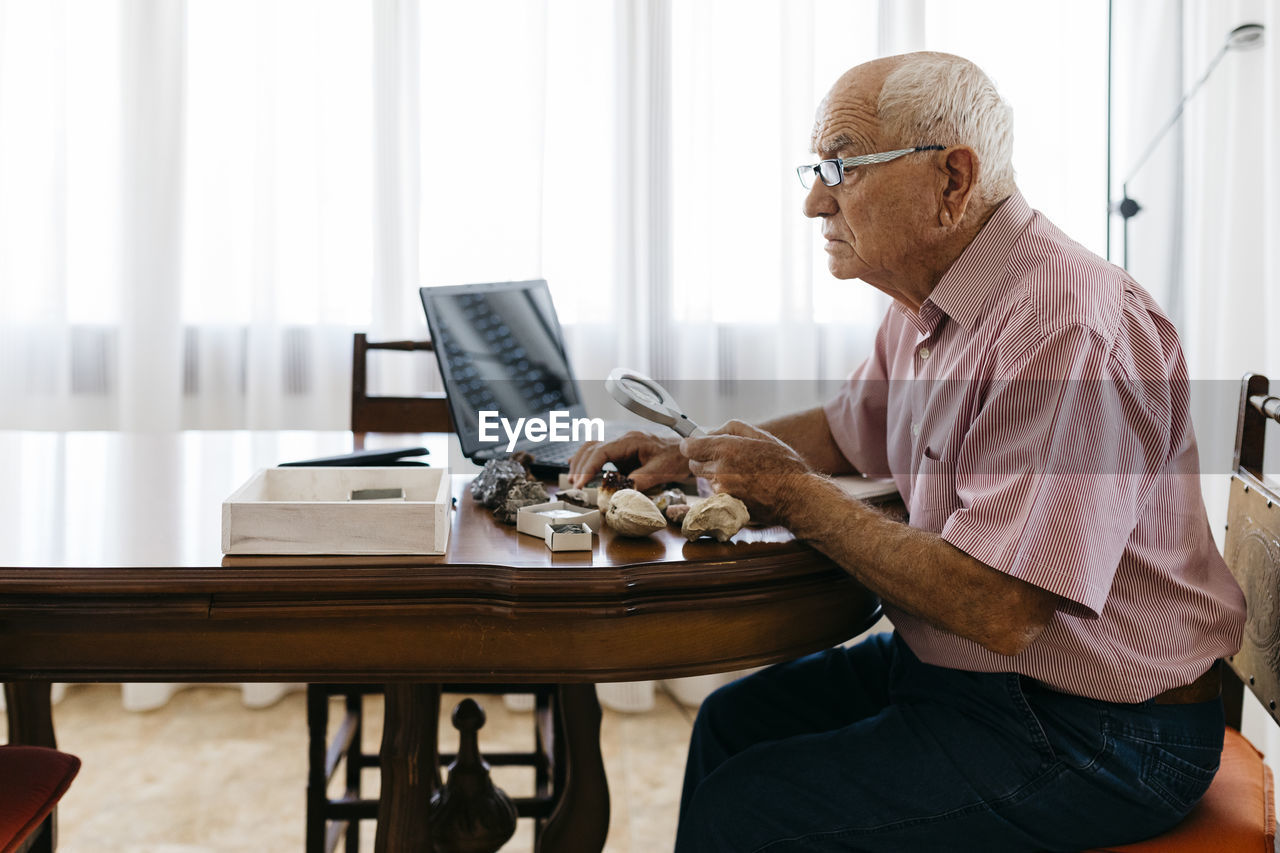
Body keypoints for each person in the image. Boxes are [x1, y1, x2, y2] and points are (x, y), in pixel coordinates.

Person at [567, 51, 1246, 852]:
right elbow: (850, 428)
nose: (815, 200)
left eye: (842, 165)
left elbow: (1002, 608)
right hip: (979, 680)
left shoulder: (1069, 327)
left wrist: (792, 492)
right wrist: (694, 453)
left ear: (953, 180)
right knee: (728, 725)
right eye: (816, 168)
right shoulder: (929, 298)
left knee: (747, 809)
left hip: (1107, 730)